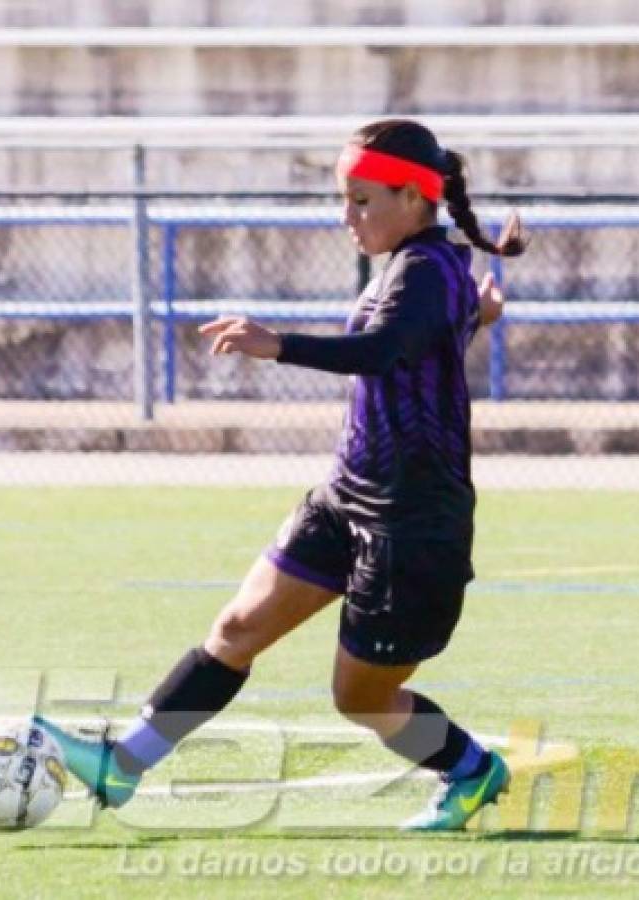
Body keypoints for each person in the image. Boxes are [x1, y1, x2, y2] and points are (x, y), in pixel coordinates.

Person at [36, 118, 526, 831]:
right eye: (344, 199)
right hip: (346, 497)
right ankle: (122, 767)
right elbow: (417, 345)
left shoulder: (423, 269)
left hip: (409, 524)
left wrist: (276, 346)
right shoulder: (426, 268)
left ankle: (472, 770)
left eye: (362, 201)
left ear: (415, 199)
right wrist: (470, 319)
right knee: (237, 628)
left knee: (361, 698)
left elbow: (386, 350)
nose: (347, 218)